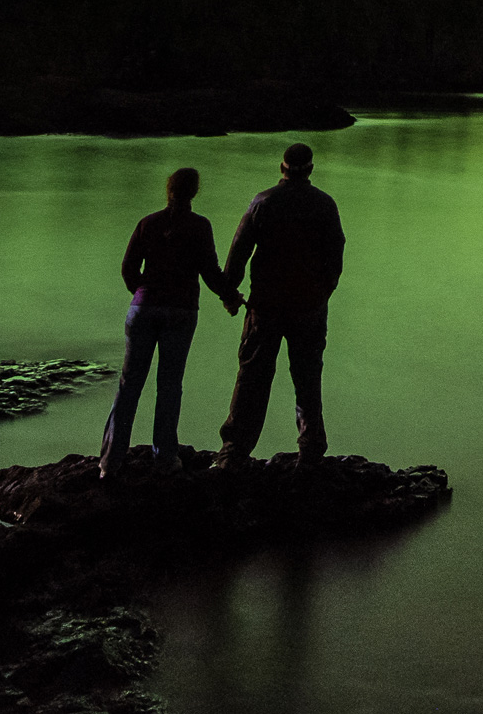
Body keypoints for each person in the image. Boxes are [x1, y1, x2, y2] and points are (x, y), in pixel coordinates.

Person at [102, 165, 239, 477]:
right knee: (169, 385)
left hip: (144, 308)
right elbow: (210, 272)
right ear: (194, 192)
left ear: (168, 190)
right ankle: (165, 458)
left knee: (129, 385)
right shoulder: (200, 226)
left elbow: (128, 267)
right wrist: (230, 296)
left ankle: (110, 462)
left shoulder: (148, 223)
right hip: (181, 310)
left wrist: (142, 292)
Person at [215, 142, 346, 466]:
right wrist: (322, 293)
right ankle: (311, 448)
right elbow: (336, 256)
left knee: (252, 378)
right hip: (308, 307)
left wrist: (229, 293)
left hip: (266, 305)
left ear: (281, 168)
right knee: (307, 378)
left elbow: (239, 250)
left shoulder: (263, 202)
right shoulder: (325, 205)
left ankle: (234, 450)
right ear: (311, 170)